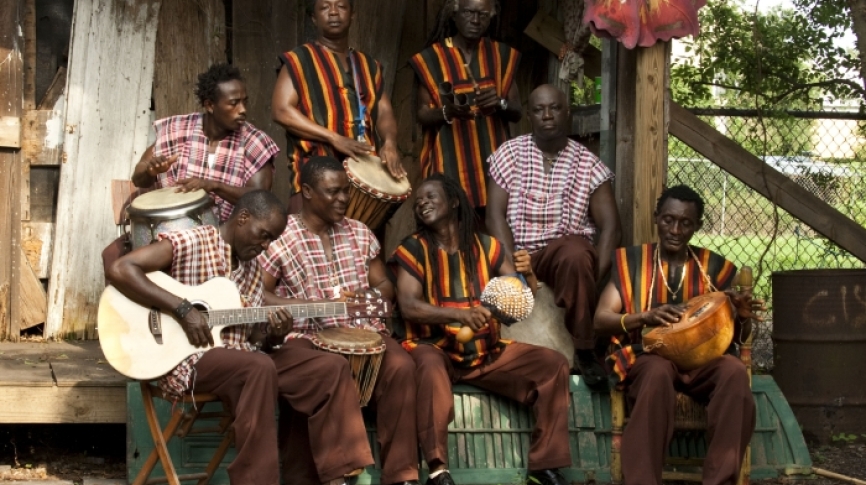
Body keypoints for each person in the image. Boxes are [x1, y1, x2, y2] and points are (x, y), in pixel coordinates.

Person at [391, 173, 572, 485]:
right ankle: (437, 468)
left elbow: (518, 298)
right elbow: (408, 305)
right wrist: (459, 316)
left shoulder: (488, 247)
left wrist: (526, 275)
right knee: (429, 367)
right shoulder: (413, 249)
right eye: (418, 201)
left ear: (454, 202)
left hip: (486, 353)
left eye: (431, 196)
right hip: (434, 349)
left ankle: (544, 466)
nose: (422, 203)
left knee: (553, 366)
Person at [105, 190, 291, 485]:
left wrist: (273, 334)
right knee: (258, 367)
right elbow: (120, 268)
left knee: (315, 367)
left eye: (272, 240)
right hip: (182, 360)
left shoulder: (253, 269)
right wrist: (182, 309)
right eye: (263, 234)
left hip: (233, 360)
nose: (265, 246)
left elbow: (253, 337)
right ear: (243, 218)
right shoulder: (193, 240)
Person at [259, 156, 419, 485]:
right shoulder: (282, 236)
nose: (343, 199)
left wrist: (370, 299)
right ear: (306, 191)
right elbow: (259, 295)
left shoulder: (359, 232)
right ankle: (344, 475)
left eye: (345, 191)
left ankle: (402, 475)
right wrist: (307, 305)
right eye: (333, 192)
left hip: (361, 333)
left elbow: (384, 285)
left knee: (401, 367)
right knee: (330, 370)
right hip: (301, 337)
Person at [593, 185, 759, 485]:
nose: (676, 229)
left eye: (685, 223)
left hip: (702, 360)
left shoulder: (716, 269)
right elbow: (601, 319)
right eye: (668, 219)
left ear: (696, 226)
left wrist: (743, 318)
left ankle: (721, 480)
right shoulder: (632, 262)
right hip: (649, 356)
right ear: (657, 218)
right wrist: (644, 316)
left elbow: (738, 334)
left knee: (734, 372)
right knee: (657, 373)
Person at [486, 84, 621, 385]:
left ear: (567, 112)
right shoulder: (509, 154)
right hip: (518, 253)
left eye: (555, 108)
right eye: (538, 109)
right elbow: (494, 215)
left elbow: (611, 225)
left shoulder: (588, 164)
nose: (547, 115)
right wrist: (512, 270)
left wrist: (591, 274)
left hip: (563, 255)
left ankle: (584, 352)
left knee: (575, 252)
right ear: (530, 116)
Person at [272, 0, 405, 213]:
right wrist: (333, 138)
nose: (333, 12)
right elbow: (281, 110)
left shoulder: (369, 66)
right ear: (314, 18)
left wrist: (389, 142)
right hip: (314, 180)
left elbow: (384, 111)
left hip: (363, 184)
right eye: (325, 7)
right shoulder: (299, 60)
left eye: (341, 6)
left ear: (352, 14)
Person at [410, 0, 522, 212]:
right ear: (454, 14)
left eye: (483, 15)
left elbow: (517, 111)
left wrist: (500, 103)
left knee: (494, 225)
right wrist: (447, 112)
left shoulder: (500, 56)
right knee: (452, 222)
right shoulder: (433, 58)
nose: (475, 20)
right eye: (469, 12)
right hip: (449, 160)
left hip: (494, 163)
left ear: (491, 18)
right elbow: (422, 114)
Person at [132, 63, 280, 222]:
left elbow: (260, 201)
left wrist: (214, 186)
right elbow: (138, 178)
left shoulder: (255, 143)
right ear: (210, 105)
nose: (243, 109)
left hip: (226, 238)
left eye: (245, 102)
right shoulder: (177, 130)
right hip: (172, 228)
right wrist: (149, 170)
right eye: (234, 103)